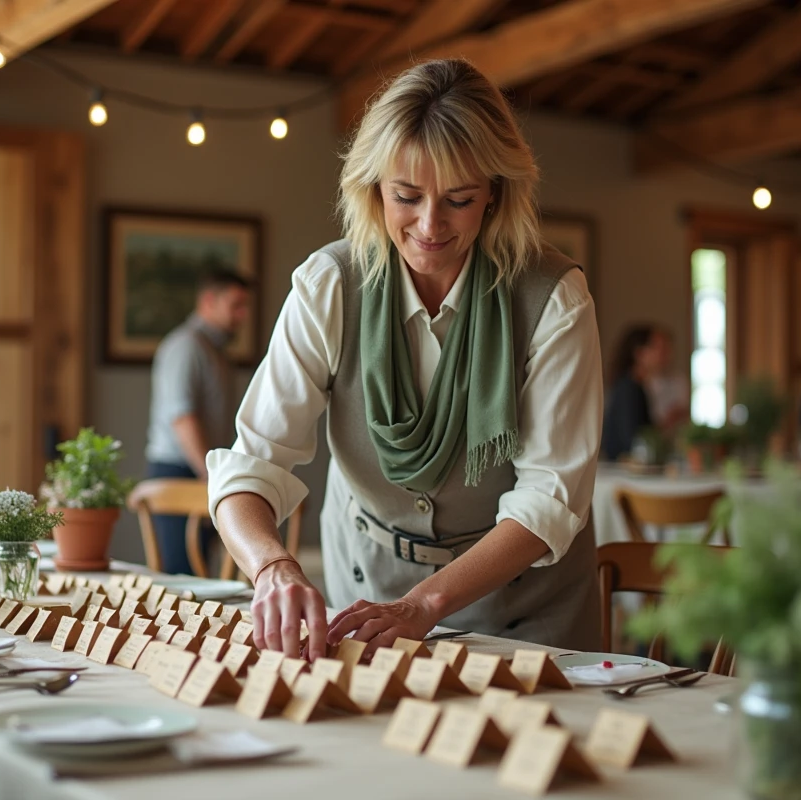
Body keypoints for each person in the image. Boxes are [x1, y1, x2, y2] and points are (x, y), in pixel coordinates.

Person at [207, 59, 604, 661]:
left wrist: (425, 604)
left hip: (525, 612)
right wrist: (271, 567)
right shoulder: (329, 284)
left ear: (495, 192)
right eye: (406, 196)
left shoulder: (553, 297)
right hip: (365, 589)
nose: (429, 224)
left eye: (459, 199)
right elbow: (252, 465)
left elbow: (550, 498)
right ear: (373, 187)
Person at [145, 268, 251, 574]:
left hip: (202, 472)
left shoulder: (214, 350)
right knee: (183, 580)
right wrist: (209, 476)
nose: (242, 315)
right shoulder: (185, 347)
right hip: (181, 472)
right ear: (208, 300)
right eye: (236, 305)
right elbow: (182, 417)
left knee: (204, 576)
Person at [600, 325, 672, 461]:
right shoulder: (628, 389)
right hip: (623, 474)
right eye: (659, 348)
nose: (666, 354)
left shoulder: (636, 387)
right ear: (639, 353)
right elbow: (632, 442)